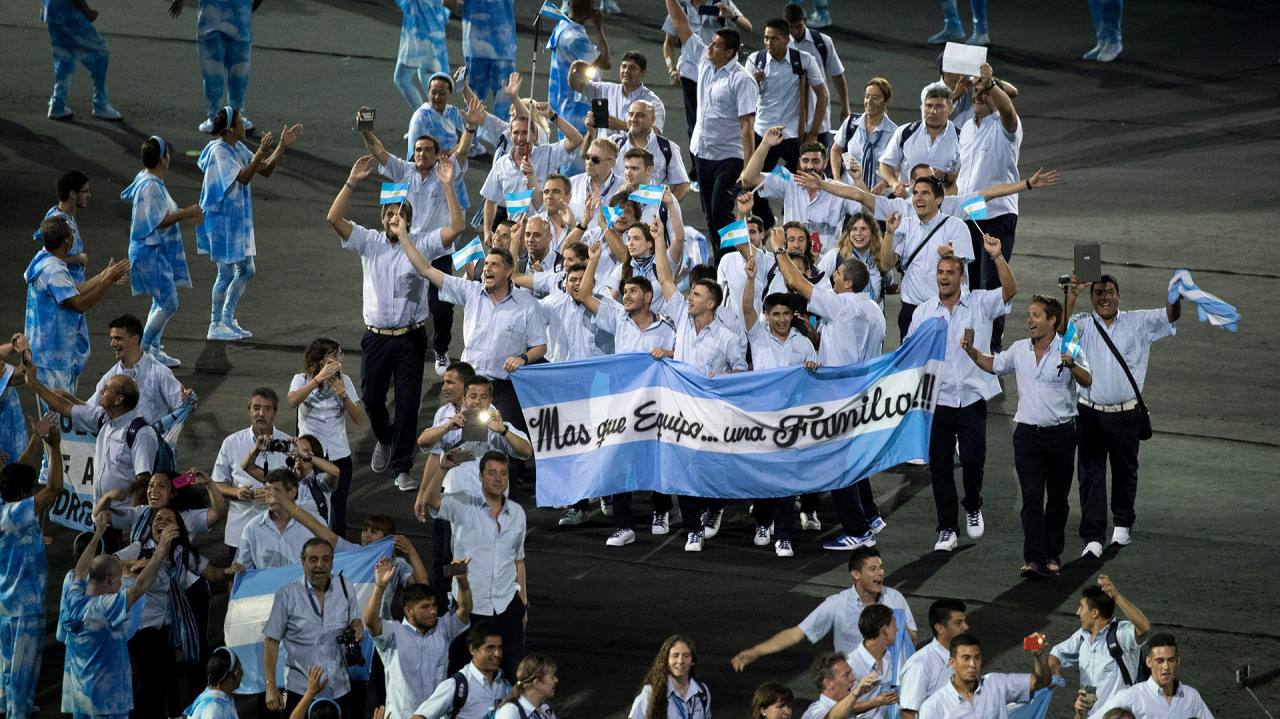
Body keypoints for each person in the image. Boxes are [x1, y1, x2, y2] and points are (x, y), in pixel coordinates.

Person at [327, 154, 465, 492]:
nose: (394, 218)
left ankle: (402, 466)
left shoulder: (422, 242)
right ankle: (385, 438)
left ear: (409, 219)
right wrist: (351, 182)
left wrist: (447, 186)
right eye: (390, 213)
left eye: (401, 213)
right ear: (382, 217)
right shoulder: (368, 241)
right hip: (374, 338)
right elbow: (334, 217)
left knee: (407, 402)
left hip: (410, 338)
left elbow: (457, 228)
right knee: (373, 399)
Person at [398, 237, 548, 487]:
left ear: (509, 271)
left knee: (504, 446)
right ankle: (450, 491)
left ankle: (499, 504)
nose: (487, 268)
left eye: (494, 264)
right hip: (469, 386)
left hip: (503, 388)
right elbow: (426, 269)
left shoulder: (527, 305)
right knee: (457, 440)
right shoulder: (471, 292)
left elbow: (540, 346)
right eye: (486, 263)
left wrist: (523, 358)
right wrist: (403, 234)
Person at [962, 294, 1092, 577]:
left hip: (1061, 435)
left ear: (1052, 320)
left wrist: (1071, 364)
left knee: (1057, 499)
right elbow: (993, 364)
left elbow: (1087, 379)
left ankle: (1053, 555)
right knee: (1032, 498)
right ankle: (1034, 559)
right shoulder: (1020, 349)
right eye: (1029, 315)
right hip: (1027, 437)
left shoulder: (1068, 348)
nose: (1029, 320)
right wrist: (972, 351)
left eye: (1036, 315)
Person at [773, 249, 888, 550]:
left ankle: (859, 530)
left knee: (838, 466)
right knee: (853, 460)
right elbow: (846, 348)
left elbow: (793, 281)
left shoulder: (841, 306)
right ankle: (872, 515)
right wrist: (816, 340)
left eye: (836, 276)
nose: (833, 280)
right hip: (862, 393)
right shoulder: (874, 309)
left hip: (838, 396)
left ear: (848, 284)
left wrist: (779, 251)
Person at [908, 236, 1015, 553]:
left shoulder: (980, 303)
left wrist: (996, 257)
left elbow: (1010, 291)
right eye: (940, 272)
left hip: (971, 398)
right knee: (939, 466)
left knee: (972, 460)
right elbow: (911, 355)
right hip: (936, 402)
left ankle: (973, 505)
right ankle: (946, 528)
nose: (943, 277)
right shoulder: (923, 312)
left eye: (950, 272)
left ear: (961, 276)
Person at [1060, 273, 1180, 554]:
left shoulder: (1137, 322)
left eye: (1109, 291)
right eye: (1098, 292)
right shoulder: (1082, 324)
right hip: (1089, 413)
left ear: (1119, 296)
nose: (1104, 297)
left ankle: (1123, 525)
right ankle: (1092, 537)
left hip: (1127, 415)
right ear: (1091, 298)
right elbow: (1061, 333)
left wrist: (1175, 295)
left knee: (1126, 472)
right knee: (1091, 475)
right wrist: (1072, 295)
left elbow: (1171, 316)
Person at [364, 102, 480, 376]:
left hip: (438, 249)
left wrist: (471, 127)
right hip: (409, 249)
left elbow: (462, 150)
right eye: (418, 150)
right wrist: (366, 130)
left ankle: (440, 350)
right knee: (399, 300)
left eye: (428, 150)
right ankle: (396, 347)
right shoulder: (403, 171)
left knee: (441, 307)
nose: (422, 154)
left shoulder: (447, 170)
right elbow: (378, 151)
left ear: (437, 153)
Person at [651, 216, 745, 551]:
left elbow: (744, 373)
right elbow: (664, 278)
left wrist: (726, 378)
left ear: (712, 303)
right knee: (681, 468)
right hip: (680, 408)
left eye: (697, 294)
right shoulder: (681, 320)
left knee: (709, 469)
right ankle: (693, 528)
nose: (689, 298)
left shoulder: (728, 338)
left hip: (713, 411)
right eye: (690, 293)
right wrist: (660, 239)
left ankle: (715, 507)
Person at [573, 243, 678, 543]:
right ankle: (624, 526)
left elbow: (681, 356)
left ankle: (661, 509)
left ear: (648, 297)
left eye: (633, 292)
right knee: (620, 459)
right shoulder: (617, 317)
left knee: (658, 456)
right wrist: (592, 260)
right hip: (621, 404)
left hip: (657, 406)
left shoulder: (668, 327)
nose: (627, 295)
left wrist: (668, 352)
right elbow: (583, 294)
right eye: (625, 291)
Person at [798, 172, 972, 342]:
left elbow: (960, 270)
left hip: (947, 308)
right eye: (916, 193)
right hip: (912, 310)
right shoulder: (905, 225)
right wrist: (889, 233)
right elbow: (887, 264)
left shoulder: (956, 226)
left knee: (948, 364)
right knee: (912, 369)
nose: (918, 198)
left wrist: (952, 258)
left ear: (939, 199)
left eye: (925, 193)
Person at [114, 507, 242, 719]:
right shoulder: (139, 549)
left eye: (168, 519)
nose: (161, 522)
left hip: (166, 632)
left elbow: (211, 572)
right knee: (142, 688)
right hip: (140, 633)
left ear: (178, 529)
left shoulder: (183, 554)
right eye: (157, 519)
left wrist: (230, 571)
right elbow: (108, 563)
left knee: (164, 687)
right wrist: (132, 567)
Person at [197, 107, 303, 340]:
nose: (245, 126)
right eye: (241, 123)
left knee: (244, 270)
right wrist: (260, 151)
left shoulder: (236, 148)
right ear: (231, 129)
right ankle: (216, 324)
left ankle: (225, 320)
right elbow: (243, 177)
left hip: (236, 222)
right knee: (228, 273)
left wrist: (281, 146)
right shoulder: (219, 151)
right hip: (222, 222)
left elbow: (263, 169)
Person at [422, 449, 527, 681]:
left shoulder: (518, 514)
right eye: (491, 473)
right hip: (468, 608)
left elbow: (518, 559)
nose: (498, 478)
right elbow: (431, 500)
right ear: (480, 477)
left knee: (512, 677)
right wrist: (442, 469)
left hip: (507, 606)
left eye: (503, 473)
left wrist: (523, 602)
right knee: (462, 676)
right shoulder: (462, 503)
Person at [59, 511, 175, 719]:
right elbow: (139, 588)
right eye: (120, 580)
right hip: (107, 702)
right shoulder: (105, 608)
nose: (122, 584)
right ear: (111, 580)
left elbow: (80, 570)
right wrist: (162, 548)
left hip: (78, 697)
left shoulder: (73, 597)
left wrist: (98, 534)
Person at [664, 0, 758, 242]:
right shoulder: (705, 62)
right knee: (710, 216)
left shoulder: (742, 80)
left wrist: (749, 169)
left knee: (721, 214)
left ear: (729, 53)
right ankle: (719, 266)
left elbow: (747, 126)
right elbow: (680, 24)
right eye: (711, 43)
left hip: (729, 159)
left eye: (716, 46)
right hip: (702, 154)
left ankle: (730, 264)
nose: (710, 48)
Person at [732, 548, 917, 669]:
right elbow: (797, 633)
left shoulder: (894, 599)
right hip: (852, 682)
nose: (880, 573)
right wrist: (756, 651)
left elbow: (913, 641)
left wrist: (896, 620)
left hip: (892, 682)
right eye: (873, 568)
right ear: (856, 574)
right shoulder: (837, 604)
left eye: (881, 568)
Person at [741, 258, 815, 557]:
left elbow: (815, 382)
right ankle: (763, 522)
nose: (782, 319)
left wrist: (812, 368)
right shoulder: (757, 336)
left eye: (786, 314)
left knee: (786, 478)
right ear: (767, 316)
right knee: (762, 477)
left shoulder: (804, 344)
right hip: (762, 418)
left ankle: (783, 535)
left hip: (792, 421)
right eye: (776, 314)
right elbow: (746, 309)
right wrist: (749, 279)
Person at [24, 215, 130, 403]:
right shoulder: (54, 270)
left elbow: (71, 290)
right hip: (53, 357)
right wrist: (106, 282)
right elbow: (79, 304)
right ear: (67, 241)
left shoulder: (43, 261)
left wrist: (104, 276)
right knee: (59, 417)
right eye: (72, 233)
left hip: (45, 353)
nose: (74, 235)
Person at [24, 367, 156, 510]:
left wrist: (132, 520)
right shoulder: (103, 418)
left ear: (119, 399)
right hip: (102, 517)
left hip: (124, 521)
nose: (101, 392)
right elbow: (65, 407)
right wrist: (33, 383)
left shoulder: (141, 433)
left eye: (106, 390)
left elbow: (143, 483)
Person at [121, 138, 203, 367]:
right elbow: (158, 221)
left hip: (152, 251)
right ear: (162, 159)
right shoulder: (150, 186)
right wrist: (187, 212)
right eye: (167, 154)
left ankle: (153, 349)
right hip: (149, 252)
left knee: (160, 301)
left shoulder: (149, 180)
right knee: (169, 302)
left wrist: (187, 213)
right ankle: (144, 351)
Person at [0, 416, 62, 719]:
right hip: (25, 607)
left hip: (4, 604)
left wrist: (35, 439)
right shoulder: (17, 514)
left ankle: (8, 707)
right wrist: (54, 446)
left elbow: (15, 476)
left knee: (7, 670)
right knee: (22, 675)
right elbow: (53, 490)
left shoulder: (4, 507)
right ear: (26, 494)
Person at [957, 62, 1021, 351]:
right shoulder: (967, 128)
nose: (978, 97)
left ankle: (992, 346)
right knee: (969, 282)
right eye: (976, 95)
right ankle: (973, 341)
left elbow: (1008, 108)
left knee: (991, 283)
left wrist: (991, 83)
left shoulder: (1006, 127)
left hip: (998, 214)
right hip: (971, 212)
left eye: (984, 94)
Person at [262, 538, 364, 716]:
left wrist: (357, 626)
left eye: (325, 559)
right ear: (303, 562)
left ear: (332, 563)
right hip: (302, 692)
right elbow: (271, 641)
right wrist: (271, 686)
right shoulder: (287, 595)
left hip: (340, 689)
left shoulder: (345, 586)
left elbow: (355, 619)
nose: (320, 565)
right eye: (313, 559)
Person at [366, 555, 471, 719]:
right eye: (425, 607)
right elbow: (370, 622)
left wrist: (463, 582)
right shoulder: (393, 632)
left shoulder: (442, 628)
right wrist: (380, 586)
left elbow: (464, 611)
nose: (432, 611)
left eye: (433, 605)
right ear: (408, 611)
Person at [288, 338, 365, 534]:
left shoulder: (344, 381)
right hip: (309, 458)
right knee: (308, 507)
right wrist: (317, 380)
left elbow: (358, 419)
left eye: (340, 355)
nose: (340, 359)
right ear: (322, 360)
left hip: (339, 456)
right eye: (336, 355)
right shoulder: (301, 379)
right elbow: (293, 400)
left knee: (338, 514)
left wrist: (343, 394)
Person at [743, 127, 860, 256]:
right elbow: (750, 178)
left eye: (815, 161)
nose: (810, 166)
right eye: (805, 161)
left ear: (825, 163)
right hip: (791, 262)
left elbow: (866, 209)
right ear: (800, 162)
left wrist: (858, 179)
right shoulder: (788, 181)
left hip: (826, 268)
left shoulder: (838, 190)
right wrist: (765, 144)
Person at [479, 105, 584, 245]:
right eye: (516, 133)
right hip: (515, 236)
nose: (521, 138)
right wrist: (487, 231)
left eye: (525, 132)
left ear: (534, 136)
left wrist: (553, 116)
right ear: (511, 136)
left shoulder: (547, 154)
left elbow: (576, 139)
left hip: (544, 235)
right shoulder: (501, 165)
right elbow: (490, 199)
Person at [748, 19, 827, 193]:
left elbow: (823, 95)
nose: (769, 43)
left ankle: (791, 212)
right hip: (762, 129)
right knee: (752, 185)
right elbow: (744, 100)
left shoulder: (804, 60)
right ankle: (765, 218)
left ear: (786, 39)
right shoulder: (755, 61)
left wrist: (813, 133)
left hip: (790, 131)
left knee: (801, 180)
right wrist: (753, 82)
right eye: (766, 38)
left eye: (774, 38)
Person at [1051, 576, 1151, 705]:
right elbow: (1056, 653)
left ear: (1094, 613)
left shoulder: (1120, 635)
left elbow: (1144, 628)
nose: (1077, 613)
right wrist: (1054, 671)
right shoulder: (1083, 636)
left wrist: (1117, 596)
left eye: (1081, 607)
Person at [916, 633, 1053, 719]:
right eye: (966, 658)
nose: (972, 664)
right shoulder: (933, 707)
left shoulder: (996, 684)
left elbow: (1041, 681)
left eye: (977, 658)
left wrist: (1038, 654)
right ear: (952, 662)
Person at [85, 314, 191, 425]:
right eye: (112, 338)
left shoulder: (160, 373)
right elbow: (89, 408)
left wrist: (189, 399)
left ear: (135, 339)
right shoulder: (110, 376)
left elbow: (183, 405)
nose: (112, 344)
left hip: (151, 441)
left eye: (118, 338)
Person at [239, 470, 350, 570]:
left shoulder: (315, 524)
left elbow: (333, 561)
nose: (269, 496)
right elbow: (242, 571)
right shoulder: (252, 528)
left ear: (292, 492)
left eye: (276, 491)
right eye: (267, 491)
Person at [1083, 635, 1213, 719]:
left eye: (1171, 660)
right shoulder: (1130, 697)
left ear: (1177, 661)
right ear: (1148, 662)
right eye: (1160, 661)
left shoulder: (1192, 697)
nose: (1166, 667)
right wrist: (1080, 714)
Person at [412, 622, 512, 719]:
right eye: (490, 648)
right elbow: (419, 717)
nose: (497, 654)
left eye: (499, 647)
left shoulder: (507, 684)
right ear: (472, 650)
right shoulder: (455, 686)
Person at [783, 3, 847, 146]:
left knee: (817, 163)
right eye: (790, 27)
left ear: (805, 21)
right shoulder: (780, 44)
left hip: (818, 120)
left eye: (798, 26)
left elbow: (837, 74)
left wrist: (845, 105)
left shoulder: (822, 42)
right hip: (788, 120)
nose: (795, 31)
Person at [42, 0, 119, 119]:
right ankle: (100, 104)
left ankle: (57, 105)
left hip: (51, 9)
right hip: (67, 11)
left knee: (64, 58)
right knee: (101, 52)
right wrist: (86, 11)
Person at [878, 86, 960, 196]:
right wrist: (894, 183)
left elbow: (963, 176)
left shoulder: (961, 138)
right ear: (923, 107)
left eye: (939, 106)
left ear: (950, 109)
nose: (933, 111)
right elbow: (885, 164)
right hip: (907, 203)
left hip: (942, 205)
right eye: (929, 106)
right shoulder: (905, 132)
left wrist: (946, 200)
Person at [899, 599, 970, 719]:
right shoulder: (920, 665)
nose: (966, 627)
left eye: (964, 621)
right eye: (958, 623)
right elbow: (907, 715)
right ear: (940, 628)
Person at [547, 0, 609, 135]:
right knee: (582, 153)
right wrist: (599, 26)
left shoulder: (562, 25)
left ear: (568, 4)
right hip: (579, 111)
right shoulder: (575, 38)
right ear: (590, 9)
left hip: (565, 106)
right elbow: (605, 62)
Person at [609, 106, 691, 199]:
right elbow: (591, 164)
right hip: (616, 210)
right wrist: (592, 133)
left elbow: (683, 185)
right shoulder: (614, 143)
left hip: (649, 209)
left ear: (652, 120)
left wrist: (665, 209)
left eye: (640, 115)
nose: (634, 119)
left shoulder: (667, 148)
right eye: (631, 114)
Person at [573, 51, 665, 132]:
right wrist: (575, 66)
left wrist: (623, 126)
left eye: (632, 68)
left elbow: (655, 132)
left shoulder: (653, 102)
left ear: (643, 73)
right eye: (624, 66)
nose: (626, 71)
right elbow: (576, 85)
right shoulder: (606, 89)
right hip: (605, 150)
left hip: (634, 151)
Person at [830, 79, 896, 193]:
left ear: (886, 102)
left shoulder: (894, 133)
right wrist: (837, 179)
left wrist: (883, 185)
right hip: (850, 192)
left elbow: (898, 169)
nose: (869, 101)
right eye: (867, 97)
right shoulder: (851, 123)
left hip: (878, 196)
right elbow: (836, 150)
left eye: (875, 98)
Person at [817, 212, 891, 307]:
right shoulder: (836, 256)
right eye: (854, 229)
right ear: (849, 233)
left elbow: (888, 286)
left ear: (873, 232)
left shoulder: (881, 258)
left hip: (872, 317)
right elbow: (817, 282)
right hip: (844, 317)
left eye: (863, 229)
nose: (858, 233)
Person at [461, 0, 517, 122]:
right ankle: (503, 141)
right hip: (503, 46)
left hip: (475, 45)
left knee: (473, 103)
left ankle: (470, 140)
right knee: (504, 107)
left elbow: (448, 3)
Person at [630, 635, 710, 719]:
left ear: (692, 660)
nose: (680, 661)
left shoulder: (702, 692)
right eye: (675, 655)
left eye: (686, 656)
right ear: (666, 660)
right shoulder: (650, 693)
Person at [845, 606, 901, 718]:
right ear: (884, 629)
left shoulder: (887, 657)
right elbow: (842, 707)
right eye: (894, 625)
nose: (897, 629)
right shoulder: (851, 665)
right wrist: (878, 701)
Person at [391, 0, 449, 109]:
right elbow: (448, 7)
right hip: (435, 32)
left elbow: (405, 4)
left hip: (419, 34)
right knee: (428, 80)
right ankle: (439, 119)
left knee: (402, 79)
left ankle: (424, 117)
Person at [184, 648, 244, 719]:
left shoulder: (219, 698)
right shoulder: (215, 708)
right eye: (240, 667)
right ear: (235, 672)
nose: (242, 673)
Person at [494, 653, 559, 719]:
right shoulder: (510, 711)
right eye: (552, 677)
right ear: (537, 683)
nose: (556, 680)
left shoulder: (546, 709)